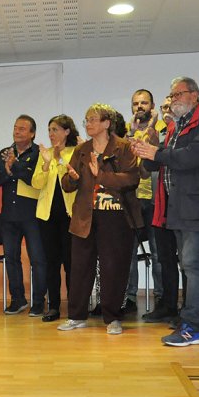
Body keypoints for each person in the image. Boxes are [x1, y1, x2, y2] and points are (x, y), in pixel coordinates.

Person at [132, 76, 199, 347]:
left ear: (194, 95)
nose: (174, 100)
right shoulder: (175, 126)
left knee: (194, 267)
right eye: (172, 95)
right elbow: (164, 159)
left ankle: (193, 326)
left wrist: (157, 153)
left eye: (178, 94)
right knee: (192, 266)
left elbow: (192, 157)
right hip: (181, 208)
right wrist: (147, 153)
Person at [56, 104, 141, 335]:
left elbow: (131, 179)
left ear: (106, 123)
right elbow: (67, 184)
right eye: (86, 119)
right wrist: (71, 178)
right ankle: (76, 316)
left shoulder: (124, 148)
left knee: (113, 267)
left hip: (116, 216)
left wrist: (100, 176)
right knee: (80, 266)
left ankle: (113, 317)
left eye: (93, 119)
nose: (88, 123)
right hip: (85, 215)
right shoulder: (82, 150)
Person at [0, 115, 48, 316]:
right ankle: (18, 299)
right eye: (15, 127)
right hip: (9, 215)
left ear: (32, 133)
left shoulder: (40, 153)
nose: (17, 131)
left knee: (37, 259)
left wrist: (15, 166)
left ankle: (39, 301)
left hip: (32, 215)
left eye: (23, 129)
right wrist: (7, 169)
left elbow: (34, 179)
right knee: (11, 258)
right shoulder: (5, 152)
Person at [31, 115, 79, 322]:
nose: (51, 134)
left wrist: (59, 159)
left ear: (67, 131)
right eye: (49, 130)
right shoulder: (45, 154)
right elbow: (36, 183)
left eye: (55, 129)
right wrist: (45, 164)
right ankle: (54, 307)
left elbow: (73, 179)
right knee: (52, 262)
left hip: (70, 215)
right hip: (47, 215)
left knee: (71, 263)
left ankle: (75, 307)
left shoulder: (77, 152)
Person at [123, 89, 164, 314]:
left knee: (158, 252)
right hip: (132, 199)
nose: (140, 107)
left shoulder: (161, 130)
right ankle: (129, 297)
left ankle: (161, 297)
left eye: (144, 103)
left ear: (152, 106)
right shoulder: (125, 134)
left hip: (155, 199)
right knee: (128, 251)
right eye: (136, 103)